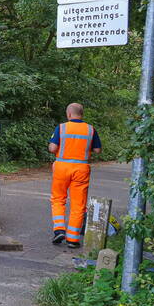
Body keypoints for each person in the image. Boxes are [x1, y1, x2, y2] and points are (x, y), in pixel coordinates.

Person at [49, 103, 102, 248]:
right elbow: (97, 150)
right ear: (82, 114)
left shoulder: (61, 128)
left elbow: (52, 148)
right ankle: (73, 239)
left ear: (69, 114)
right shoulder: (90, 130)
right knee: (78, 204)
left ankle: (59, 229)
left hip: (62, 167)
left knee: (58, 199)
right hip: (81, 169)